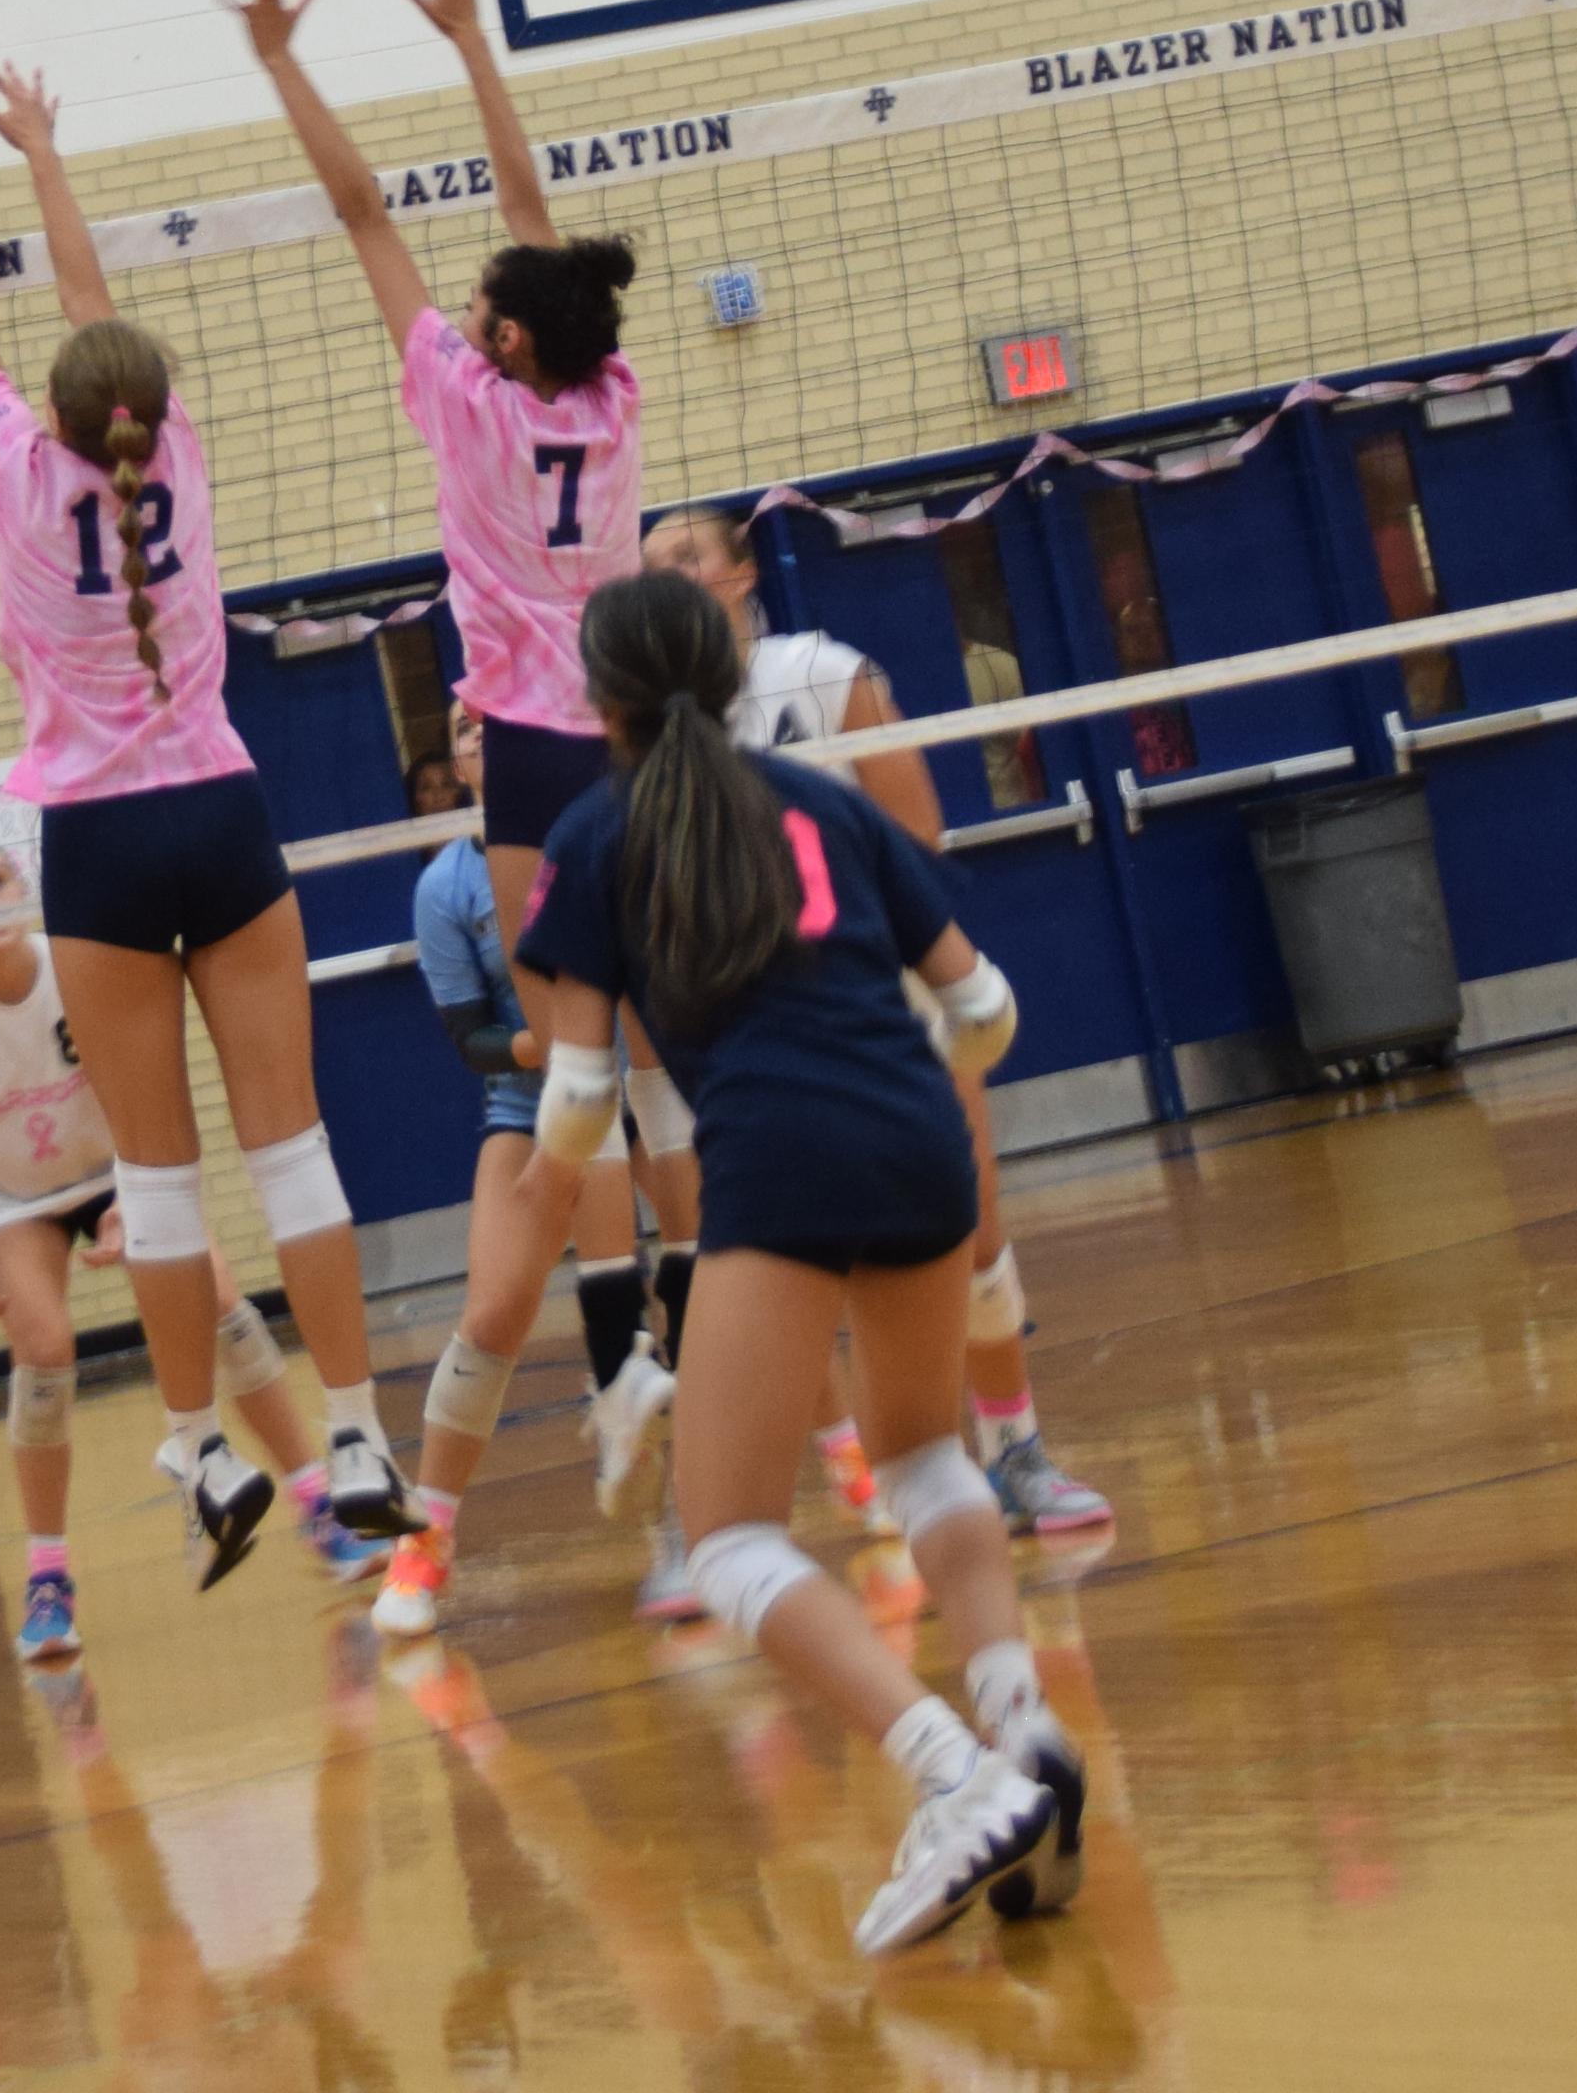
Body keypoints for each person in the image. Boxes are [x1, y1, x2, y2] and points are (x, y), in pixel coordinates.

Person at [0, 64, 419, 1577]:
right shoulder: (178, 458)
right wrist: (46, 154)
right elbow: (91, 306)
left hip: (96, 841)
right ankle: (356, 1433)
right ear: (151, 412)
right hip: (220, 814)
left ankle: (198, 1445)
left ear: (64, 414)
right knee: (292, 1152)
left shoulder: (17, 471)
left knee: (155, 1177)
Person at [511, 570, 1080, 1956]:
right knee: (925, 1452)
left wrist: (543, 1171)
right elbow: (988, 1009)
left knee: (728, 1539)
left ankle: (958, 1776)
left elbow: (582, 1096)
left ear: (600, 703)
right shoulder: (827, 800)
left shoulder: (592, 834)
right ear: (730, 670)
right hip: (919, 1134)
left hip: (777, 1155)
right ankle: (1024, 1722)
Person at [244, 0, 650, 1627]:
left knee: (573, 1073)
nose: (471, 308)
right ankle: (645, 1350)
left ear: (504, 337)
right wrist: (479, 45)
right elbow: (534, 220)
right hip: (639, 734)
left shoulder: (469, 403)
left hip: (538, 755)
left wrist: (281, 61)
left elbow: (365, 216)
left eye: (487, 307)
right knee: (633, 1076)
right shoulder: (609, 398)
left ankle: (619, 1353)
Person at [651, 505, 1114, 1538]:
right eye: (653, 566)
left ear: (739, 575)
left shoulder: (819, 672)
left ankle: (1016, 1451)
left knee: (972, 1227)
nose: (671, 576)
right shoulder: (656, 729)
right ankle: (731, 1509)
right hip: (753, 1031)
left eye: (688, 556)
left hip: (879, 995)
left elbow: (917, 836)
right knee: (763, 1259)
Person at [0, 841, 384, 1664]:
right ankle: (47, 1582)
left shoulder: (77, 971)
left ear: (23, 891)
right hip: (12, 1202)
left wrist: (134, 1196)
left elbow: (149, 1085)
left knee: (222, 1302)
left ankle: (318, 1505)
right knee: (44, 1350)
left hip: (119, 1163)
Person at [403, 691, 686, 1633]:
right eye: (462, 726)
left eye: (492, 714)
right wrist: (552, 1046)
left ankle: (775, 1493)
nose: (480, 729)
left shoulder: (607, 828)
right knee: (493, 1311)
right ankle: (425, 1542)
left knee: (712, 1273)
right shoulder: (447, 887)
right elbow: (471, 1041)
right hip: (529, 1109)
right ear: (456, 765)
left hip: (635, 1099)